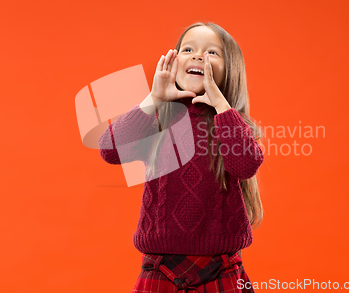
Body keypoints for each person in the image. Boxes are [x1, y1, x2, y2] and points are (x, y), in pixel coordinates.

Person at [98, 22, 264, 292]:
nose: (198, 56)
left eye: (212, 53)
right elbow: (109, 150)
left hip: (222, 266)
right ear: (174, 62)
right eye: (188, 49)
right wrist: (154, 97)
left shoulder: (232, 123)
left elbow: (245, 165)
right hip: (159, 268)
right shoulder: (157, 119)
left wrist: (222, 107)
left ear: (230, 70)